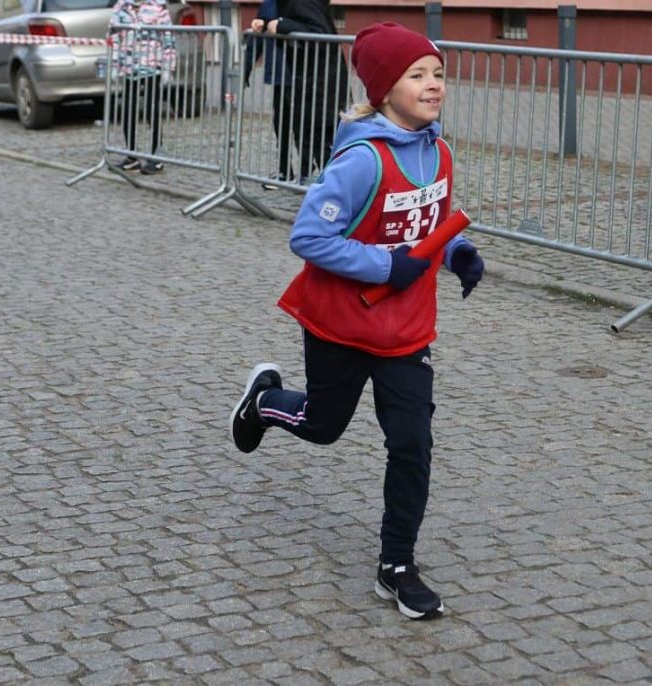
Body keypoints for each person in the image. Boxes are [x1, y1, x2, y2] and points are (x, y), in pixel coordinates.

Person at [229, 22, 484, 620]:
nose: (434, 84)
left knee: (412, 443)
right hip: (340, 324)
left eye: (438, 73)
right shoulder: (361, 161)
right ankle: (264, 403)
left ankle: (396, 566)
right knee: (322, 426)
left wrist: (456, 252)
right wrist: (385, 265)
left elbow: (427, 226)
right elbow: (308, 237)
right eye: (417, 75)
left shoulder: (440, 151)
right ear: (384, 89)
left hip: (406, 331)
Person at [261, 0, 349, 181]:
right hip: (317, 82)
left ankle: (338, 187)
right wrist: (268, 26)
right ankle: (334, 185)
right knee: (319, 138)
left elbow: (319, 33)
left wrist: (282, 25)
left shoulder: (300, 1)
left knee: (320, 139)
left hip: (320, 84)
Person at [109, 0, 176, 175]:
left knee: (151, 110)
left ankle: (156, 156)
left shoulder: (158, 6)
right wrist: (113, 63)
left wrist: (168, 66)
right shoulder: (121, 6)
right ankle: (132, 156)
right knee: (128, 109)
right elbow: (113, 36)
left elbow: (168, 38)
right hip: (129, 66)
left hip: (152, 65)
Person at [244, 0, 295, 188]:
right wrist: (246, 69)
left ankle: (309, 172)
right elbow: (256, 38)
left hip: (303, 74)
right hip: (281, 75)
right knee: (282, 123)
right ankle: (285, 171)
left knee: (304, 125)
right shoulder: (270, 3)